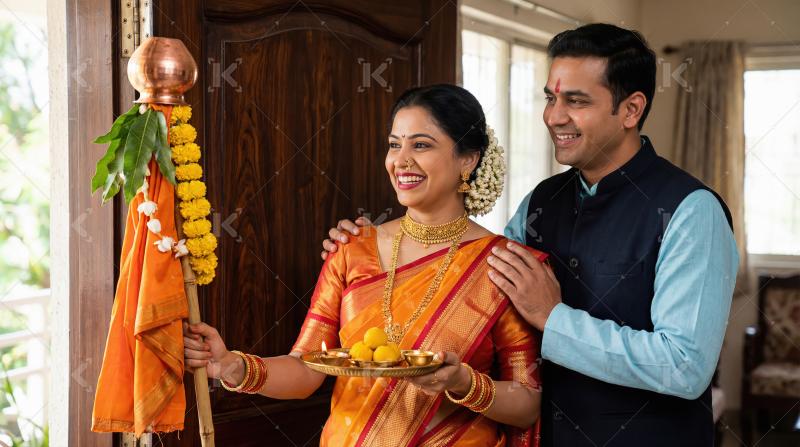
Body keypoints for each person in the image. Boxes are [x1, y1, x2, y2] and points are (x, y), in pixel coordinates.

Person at [322, 24, 739, 446]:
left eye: (576, 101)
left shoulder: (690, 210)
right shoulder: (542, 201)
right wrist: (371, 248)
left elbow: (684, 367)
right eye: (550, 98)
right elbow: (473, 284)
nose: (555, 116)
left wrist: (554, 318)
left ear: (631, 109)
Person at [185, 84, 546, 446]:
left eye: (421, 145)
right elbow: (306, 368)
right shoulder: (352, 249)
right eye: (394, 144)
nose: (401, 160)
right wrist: (232, 365)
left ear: (467, 158)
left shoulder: (502, 266)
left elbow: (528, 402)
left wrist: (464, 383)